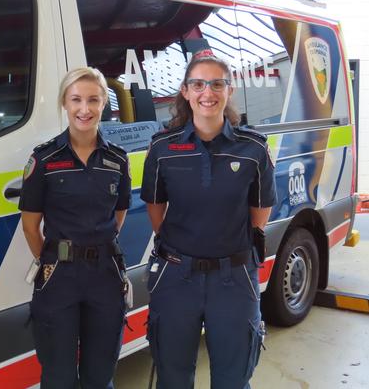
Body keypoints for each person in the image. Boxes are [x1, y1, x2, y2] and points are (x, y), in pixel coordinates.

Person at [141, 53, 277, 389]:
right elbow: (156, 208)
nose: (208, 92)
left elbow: (260, 213)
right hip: (176, 278)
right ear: (185, 92)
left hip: (233, 278)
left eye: (217, 84)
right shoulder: (162, 147)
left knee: (233, 378)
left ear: (229, 91)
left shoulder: (253, 148)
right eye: (198, 84)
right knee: (172, 375)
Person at [19, 67, 132, 389]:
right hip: (59, 276)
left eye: (93, 100)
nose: (85, 109)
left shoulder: (117, 159)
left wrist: (96, 245)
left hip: (105, 274)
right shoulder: (44, 159)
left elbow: (119, 212)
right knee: (59, 377)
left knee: (100, 375)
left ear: (104, 104)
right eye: (76, 100)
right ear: (65, 104)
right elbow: (30, 226)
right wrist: (54, 258)